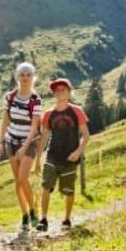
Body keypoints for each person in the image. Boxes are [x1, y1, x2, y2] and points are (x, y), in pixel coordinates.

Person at [37, 77, 89, 232]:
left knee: (68, 190)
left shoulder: (76, 111)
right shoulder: (48, 114)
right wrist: (37, 160)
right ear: (54, 94)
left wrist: (78, 152)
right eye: (57, 90)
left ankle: (66, 220)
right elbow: (44, 137)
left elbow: (86, 135)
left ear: (69, 92)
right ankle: (43, 219)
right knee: (45, 186)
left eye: (63, 90)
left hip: (70, 158)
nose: (59, 93)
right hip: (52, 155)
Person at [0, 62, 43, 233]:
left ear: (33, 78)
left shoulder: (35, 100)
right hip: (11, 140)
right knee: (18, 182)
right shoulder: (10, 97)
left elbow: (34, 126)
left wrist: (24, 147)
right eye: (22, 75)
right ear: (18, 77)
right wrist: (1, 141)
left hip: (29, 142)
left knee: (23, 178)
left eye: (28, 75)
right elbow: (5, 120)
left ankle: (33, 211)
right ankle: (24, 215)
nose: (25, 78)